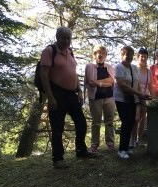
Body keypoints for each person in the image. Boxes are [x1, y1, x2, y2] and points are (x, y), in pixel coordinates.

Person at [40, 26, 95, 169]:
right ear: (57, 37)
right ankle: (58, 159)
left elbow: (73, 73)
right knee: (57, 127)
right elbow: (44, 76)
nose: (66, 41)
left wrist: (79, 91)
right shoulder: (49, 51)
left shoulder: (70, 52)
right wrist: (50, 98)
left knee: (81, 122)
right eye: (63, 37)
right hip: (56, 93)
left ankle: (81, 150)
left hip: (71, 94)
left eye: (68, 38)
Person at [114, 46, 151, 159]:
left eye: (130, 55)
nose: (129, 57)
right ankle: (121, 150)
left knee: (131, 122)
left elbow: (137, 83)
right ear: (122, 55)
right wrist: (139, 94)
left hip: (132, 100)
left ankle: (126, 148)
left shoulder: (134, 68)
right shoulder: (118, 67)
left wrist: (141, 96)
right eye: (126, 55)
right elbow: (123, 86)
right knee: (126, 122)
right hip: (121, 99)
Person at [84, 45, 116, 153]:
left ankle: (110, 143)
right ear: (94, 55)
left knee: (109, 122)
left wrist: (99, 83)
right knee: (96, 122)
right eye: (97, 52)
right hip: (95, 98)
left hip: (109, 98)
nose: (100, 54)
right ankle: (94, 145)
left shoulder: (109, 67)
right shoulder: (89, 66)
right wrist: (104, 82)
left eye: (103, 52)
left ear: (106, 55)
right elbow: (91, 82)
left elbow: (112, 81)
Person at [130, 48, 152, 148]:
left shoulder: (148, 71)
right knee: (135, 119)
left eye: (145, 57)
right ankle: (132, 140)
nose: (143, 58)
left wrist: (153, 97)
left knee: (143, 119)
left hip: (145, 97)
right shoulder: (133, 68)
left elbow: (150, 85)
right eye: (141, 56)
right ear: (138, 57)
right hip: (134, 97)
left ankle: (139, 140)